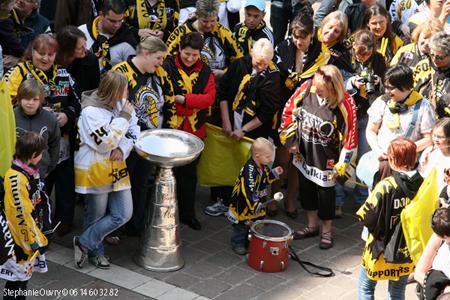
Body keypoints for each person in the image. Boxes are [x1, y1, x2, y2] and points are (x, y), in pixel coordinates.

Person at [3, 34, 81, 238]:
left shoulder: (63, 73)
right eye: (41, 53)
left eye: (51, 54)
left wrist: (67, 115)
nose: (46, 58)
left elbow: (77, 101)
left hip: (58, 142)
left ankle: (58, 227)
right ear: (32, 52)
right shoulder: (18, 72)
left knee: (62, 186)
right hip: (24, 147)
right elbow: (4, 104)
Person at [279, 64, 358, 249]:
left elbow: (351, 136)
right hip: (304, 149)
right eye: (316, 88)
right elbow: (288, 110)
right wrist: (290, 141)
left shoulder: (345, 103)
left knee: (326, 194)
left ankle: (327, 231)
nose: (317, 92)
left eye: (321, 90)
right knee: (306, 189)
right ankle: (311, 225)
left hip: (327, 157)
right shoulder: (308, 87)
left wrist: (343, 164)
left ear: (333, 88)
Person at [204, 38, 280, 217]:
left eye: (265, 63)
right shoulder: (239, 65)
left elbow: (267, 111)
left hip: (253, 127)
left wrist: (243, 130)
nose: (261, 66)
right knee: (224, 160)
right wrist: (226, 122)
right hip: (231, 118)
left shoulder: (273, 75)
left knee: (249, 167)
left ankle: (243, 204)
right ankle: (221, 200)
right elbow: (223, 92)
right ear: (251, 54)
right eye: (258, 62)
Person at [73, 70, 139, 269]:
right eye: (125, 88)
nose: (128, 92)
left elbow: (135, 131)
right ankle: (96, 253)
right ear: (115, 91)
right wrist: (123, 118)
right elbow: (103, 144)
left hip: (117, 167)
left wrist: (122, 147)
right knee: (96, 215)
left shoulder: (123, 106)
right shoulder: (90, 112)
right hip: (94, 169)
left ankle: (83, 242)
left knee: (123, 213)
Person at [112, 36, 176, 236]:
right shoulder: (120, 73)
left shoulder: (161, 73)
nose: (161, 63)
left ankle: (137, 225)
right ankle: (116, 227)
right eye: (158, 58)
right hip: (126, 143)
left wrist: (169, 133)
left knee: (142, 182)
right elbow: (111, 108)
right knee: (121, 184)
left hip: (152, 141)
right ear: (146, 53)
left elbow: (171, 102)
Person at [270, 12, 331, 217]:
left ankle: (290, 200)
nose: (299, 42)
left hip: (308, 109)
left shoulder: (321, 53)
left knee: (297, 159)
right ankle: (274, 195)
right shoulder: (283, 47)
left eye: (303, 38)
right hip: (285, 109)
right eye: (296, 37)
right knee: (282, 156)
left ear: (312, 34)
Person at [357, 137, 423, 300]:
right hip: (406, 250)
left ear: (392, 159)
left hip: (379, 249)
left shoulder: (386, 186)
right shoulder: (423, 184)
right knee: (397, 292)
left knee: (366, 287)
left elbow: (366, 216)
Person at [163, 32, 216, 230]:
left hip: (195, 131)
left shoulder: (206, 70)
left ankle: (187, 214)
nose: (191, 58)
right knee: (168, 174)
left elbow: (209, 99)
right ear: (179, 49)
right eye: (187, 54)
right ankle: (165, 213)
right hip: (171, 129)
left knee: (189, 175)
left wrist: (184, 100)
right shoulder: (167, 66)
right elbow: (166, 97)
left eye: (195, 55)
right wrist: (193, 102)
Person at [335, 29, 386, 216]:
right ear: (353, 46)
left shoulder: (379, 60)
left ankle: (362, 200)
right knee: (343, 157)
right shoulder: (343, 57)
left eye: (367, 53)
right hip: (346, 115)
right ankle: (337, 200)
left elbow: (386, 87)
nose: (363, 56)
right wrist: (352, 83)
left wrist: (379, 81)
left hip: (368, 114)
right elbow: (336, 81)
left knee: (366, 159)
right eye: (360, 52)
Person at [365, 64, 435, 187]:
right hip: (384, 164)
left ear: (405, 86)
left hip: (409, 167)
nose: (386, 91)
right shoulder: (382, 102)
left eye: (390, 88)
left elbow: (429, 138)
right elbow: (371, 130)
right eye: (385, 87)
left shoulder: (423, 106)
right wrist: (377, 150)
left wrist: (404, 151)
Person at [1, 132, 49, 297]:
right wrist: (34, 241)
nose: (42, 156)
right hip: (20, 241)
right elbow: (20, 216)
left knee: (23, 278)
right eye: (41, 153)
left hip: (27, 237)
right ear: (33, 155)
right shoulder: (17, 179)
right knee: (15, 281)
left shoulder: (29, 171)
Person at [227, 137, 284, 255]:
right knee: (242, 225)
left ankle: (252, 241)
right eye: (268, 157)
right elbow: (248, 191)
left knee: (256, 223)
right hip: (244, 204)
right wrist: (255, 205)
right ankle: (238, 242)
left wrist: (274, 173)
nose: (270, 159)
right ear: (257, 155)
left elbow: (265, 179)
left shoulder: (263, 166)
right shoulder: (250, 171)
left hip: (257, 201)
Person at [166, 0, 243, 82]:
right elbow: (167, 59)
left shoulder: (224, 32)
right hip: (187, 82)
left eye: (213, 21)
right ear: (197, 16)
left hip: (219, 83)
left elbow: (239, 60)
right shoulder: (182, 32)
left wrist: (225, 72)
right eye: (205, 21)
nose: (209, 25)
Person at [14, 78, 60, 179]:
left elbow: (55, 145)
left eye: (35, 99)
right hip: (15, 173)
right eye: (26, 98)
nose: (30, 103)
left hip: (41, 172)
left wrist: (50, 167)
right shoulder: (11, 117)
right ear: (19, 98)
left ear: (41, 100)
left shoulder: (50, 119)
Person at [78, 0, 138, 74]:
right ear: (101, 15)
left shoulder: (128, 40)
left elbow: (132, 74)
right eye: (112, 21)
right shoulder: (82, 32)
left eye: (120, 21)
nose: (117, 25)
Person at [56, 25, 101, 96]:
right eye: (80, 48)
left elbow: (94, 90)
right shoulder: (52, 60)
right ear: (67, 49)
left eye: (85, 44)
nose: (85, 50)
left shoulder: (91, 60)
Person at [414, 31, 450, 119]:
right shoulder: (422, 66)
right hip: (419, 116)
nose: (434, 59)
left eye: (440, 57)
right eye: (432, 54)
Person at [418, 118, 450, 192]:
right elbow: (422, 175)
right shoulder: (429, 152)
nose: (435, 139)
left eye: (440, 137)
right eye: (434, 135)